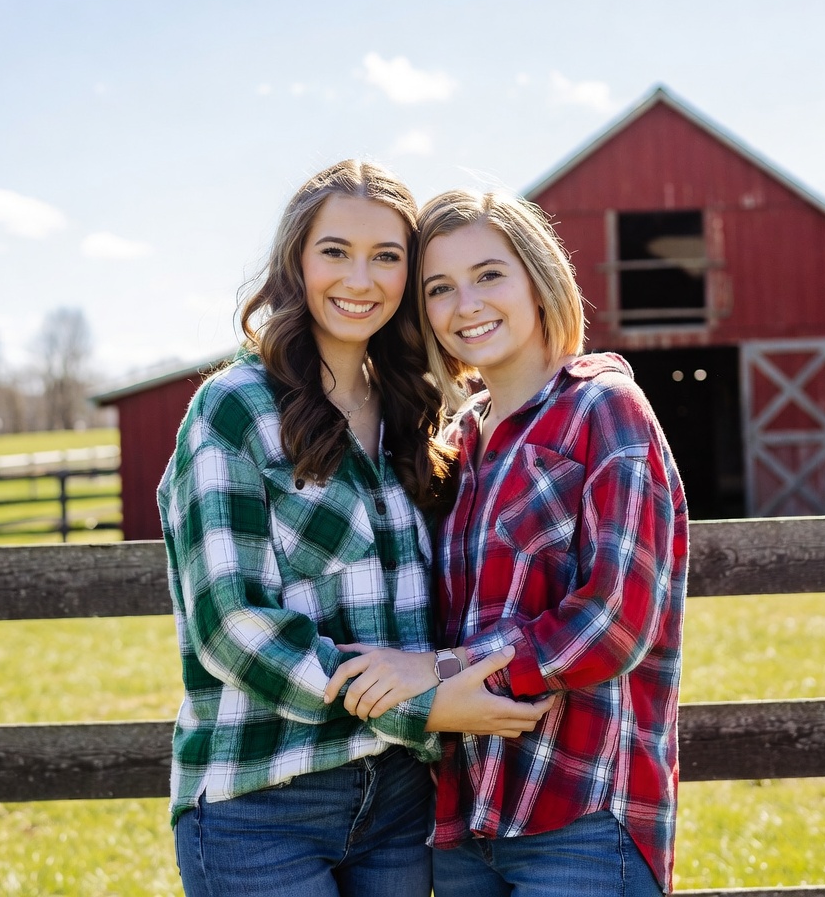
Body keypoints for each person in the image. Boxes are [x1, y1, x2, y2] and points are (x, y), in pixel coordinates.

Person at [157, 161, 551, 897]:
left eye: (387, 257)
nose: (360, 280)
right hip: (264, 800)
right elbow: (229, 622)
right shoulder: (234, 409)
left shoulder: (422, 412)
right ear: (296, 262)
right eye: (335, 252)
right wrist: (423, 704)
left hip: (401, 803)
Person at [328, 188, 688, 895]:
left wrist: (436, 672)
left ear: (538, 276)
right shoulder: (457, 443)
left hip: (581, 816)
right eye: (440, 288)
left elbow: (614, 624)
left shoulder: (604, 410)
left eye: (489, 274)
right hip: (464, 828)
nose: (467, 304)